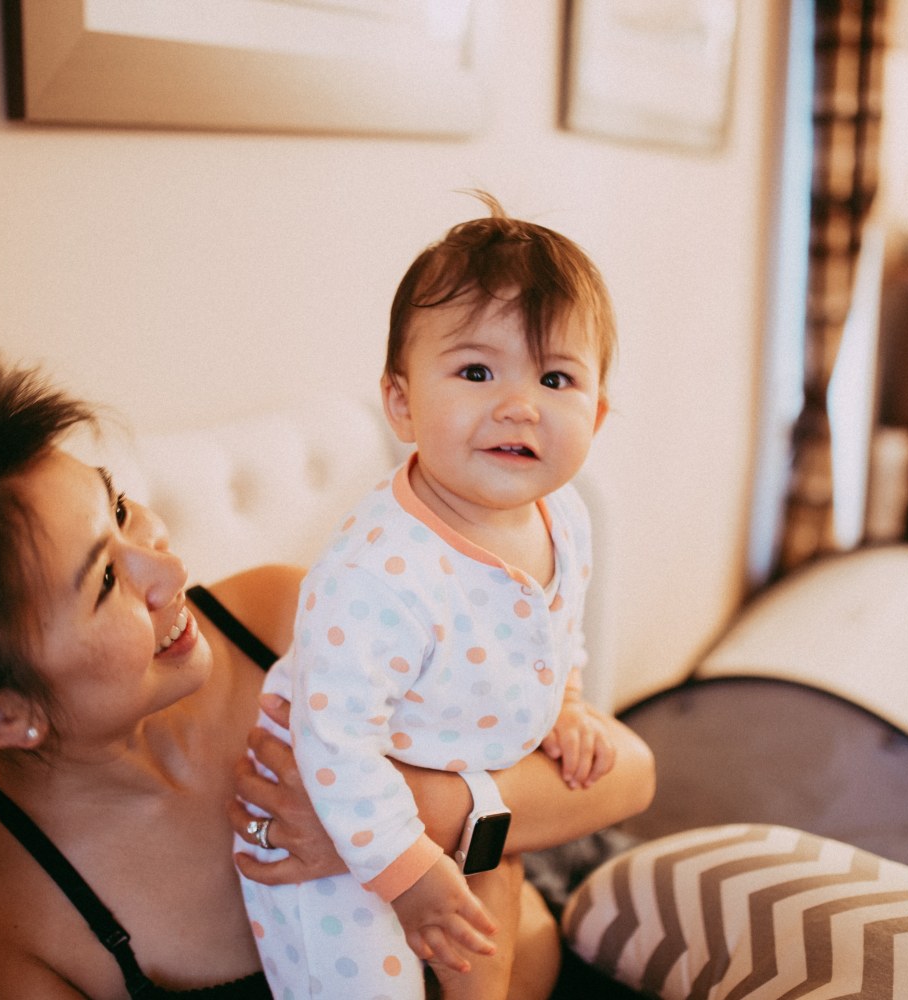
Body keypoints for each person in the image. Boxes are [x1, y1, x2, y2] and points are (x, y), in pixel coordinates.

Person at [0, 357, 656, 999]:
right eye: (103, 579)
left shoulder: (271, 617)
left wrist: (413, 811)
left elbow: (618, 777)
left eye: (122, 508)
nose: (168, 570)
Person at [237, 193, 626, 1000]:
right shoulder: (379, 573)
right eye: (477, 371)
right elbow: (334, 743)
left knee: (505, 962)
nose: (519, 404)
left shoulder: (566, 515)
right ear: (402, 402)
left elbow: (554, 632)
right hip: (336, 824)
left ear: (598, 411)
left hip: (460, 799)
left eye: (556, 378)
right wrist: (409, 875)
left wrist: (568, 707)